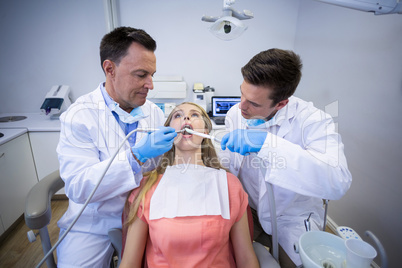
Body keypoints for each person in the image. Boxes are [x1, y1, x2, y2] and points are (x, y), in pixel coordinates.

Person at [56, 27, 177, 267]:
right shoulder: (79, 116)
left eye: (152, 74)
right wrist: (135, 156)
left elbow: (161, 170)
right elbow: (79, 187)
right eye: (141, 74)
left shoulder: (151, 111)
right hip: (94, 222)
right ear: (109, 69)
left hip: (147, 214)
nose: (150, 85)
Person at [219, 48, 352, 267]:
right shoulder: (236, 113)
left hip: (290, 217)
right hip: (246, 207)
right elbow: (229, 160)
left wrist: (268, 145)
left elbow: (337, 181)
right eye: (242, 93)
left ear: (281, 104)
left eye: (253, 103)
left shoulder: (314, 121)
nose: (241, 105)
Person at [121, 102, 259, 268]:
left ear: (206, 132)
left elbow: (246, 259)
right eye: (177, 115)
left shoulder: (229, 185)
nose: (186, 117)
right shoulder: (146, 187)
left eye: (195, 115)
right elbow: (129, 263)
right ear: (168, 132)